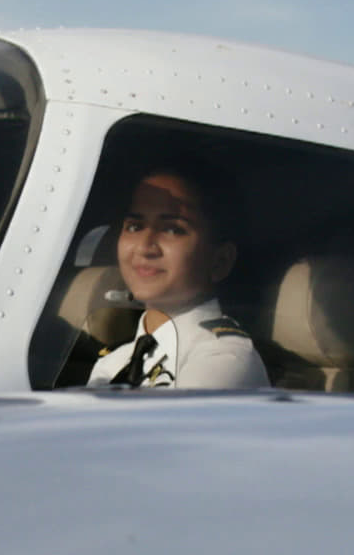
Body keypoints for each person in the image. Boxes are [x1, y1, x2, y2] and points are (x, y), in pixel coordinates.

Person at [88, 162, 267, 389]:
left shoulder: (224, 360)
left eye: (172, 229)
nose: (144, 247)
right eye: (134, 227)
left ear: (220, 261)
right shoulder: (112, 363)